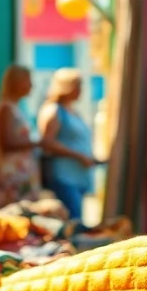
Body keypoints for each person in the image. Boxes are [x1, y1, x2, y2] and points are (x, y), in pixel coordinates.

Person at [38, 68, 97, 222]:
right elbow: (47, 143)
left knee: (77, 220)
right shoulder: (54, 111)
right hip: (63, 176)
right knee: (72, 221)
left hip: (78, 176)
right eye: (77, 85)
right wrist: (78, 155)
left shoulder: (73, 111)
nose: (80, 90)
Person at [0, 65, 40, 207]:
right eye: (27, 81)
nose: (31, 85)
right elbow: (5, 142)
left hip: (21, 172)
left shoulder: (18, 108)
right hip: (12, 173)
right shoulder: (6, 108)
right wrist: (36, 143)